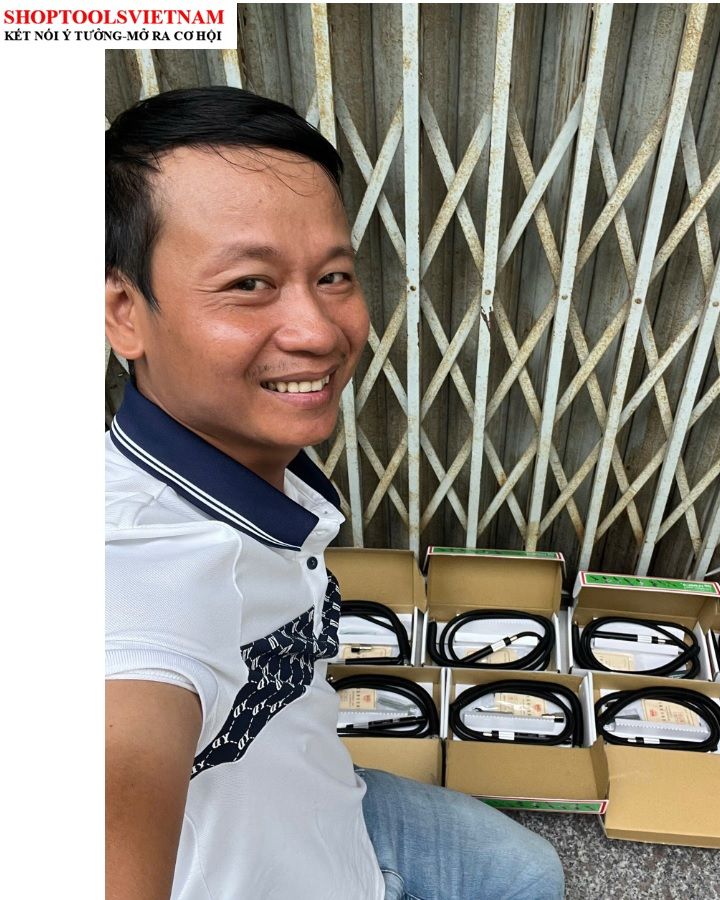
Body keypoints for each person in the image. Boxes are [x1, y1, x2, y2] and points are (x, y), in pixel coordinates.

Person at [105, 86, 566, 900]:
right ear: (124, 312)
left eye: (333, 275)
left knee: (530, 872)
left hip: (332, 810)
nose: (319, 330)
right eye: (250, 283)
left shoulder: (251, 464)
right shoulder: (138, 574)